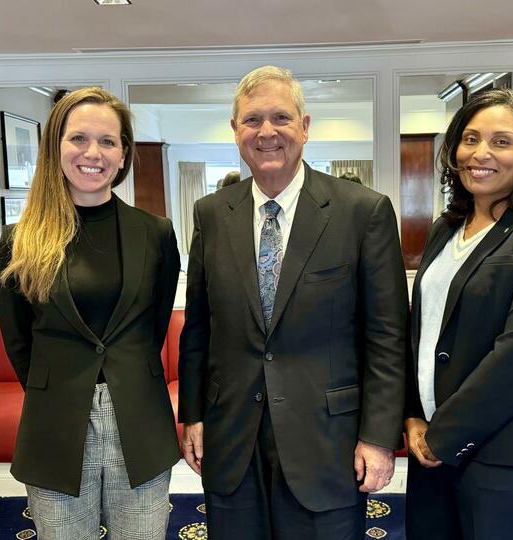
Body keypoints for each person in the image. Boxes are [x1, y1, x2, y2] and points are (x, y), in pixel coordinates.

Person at [178, 65, 409, 540]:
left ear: (305, 127)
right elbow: (199, 326)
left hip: (328, 441)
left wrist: (379, 439)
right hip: (232, 437)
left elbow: (386, 337)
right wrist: (194, 416)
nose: (267, 132)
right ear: (235, 131)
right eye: (252, 120)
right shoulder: (210, 215)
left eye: (281, 118)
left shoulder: (362, 211)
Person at [0, 87, 180, 540]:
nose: (92, 153)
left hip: (139, 420)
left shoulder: (155, 234)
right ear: (55, 146)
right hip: (55, 423)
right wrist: (60, 385)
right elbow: (19, 340)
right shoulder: (20, 240)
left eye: (107, 141)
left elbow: (153, 328)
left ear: (123, 155)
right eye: (78, 138)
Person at [404, 88, 513, 540]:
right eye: (469, 139)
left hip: (508, 453)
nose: (479, 153)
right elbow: (422, 334)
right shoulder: (446, 228)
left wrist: (442, 437)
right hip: (432, 443)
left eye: (501, 141)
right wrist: (412, 417)